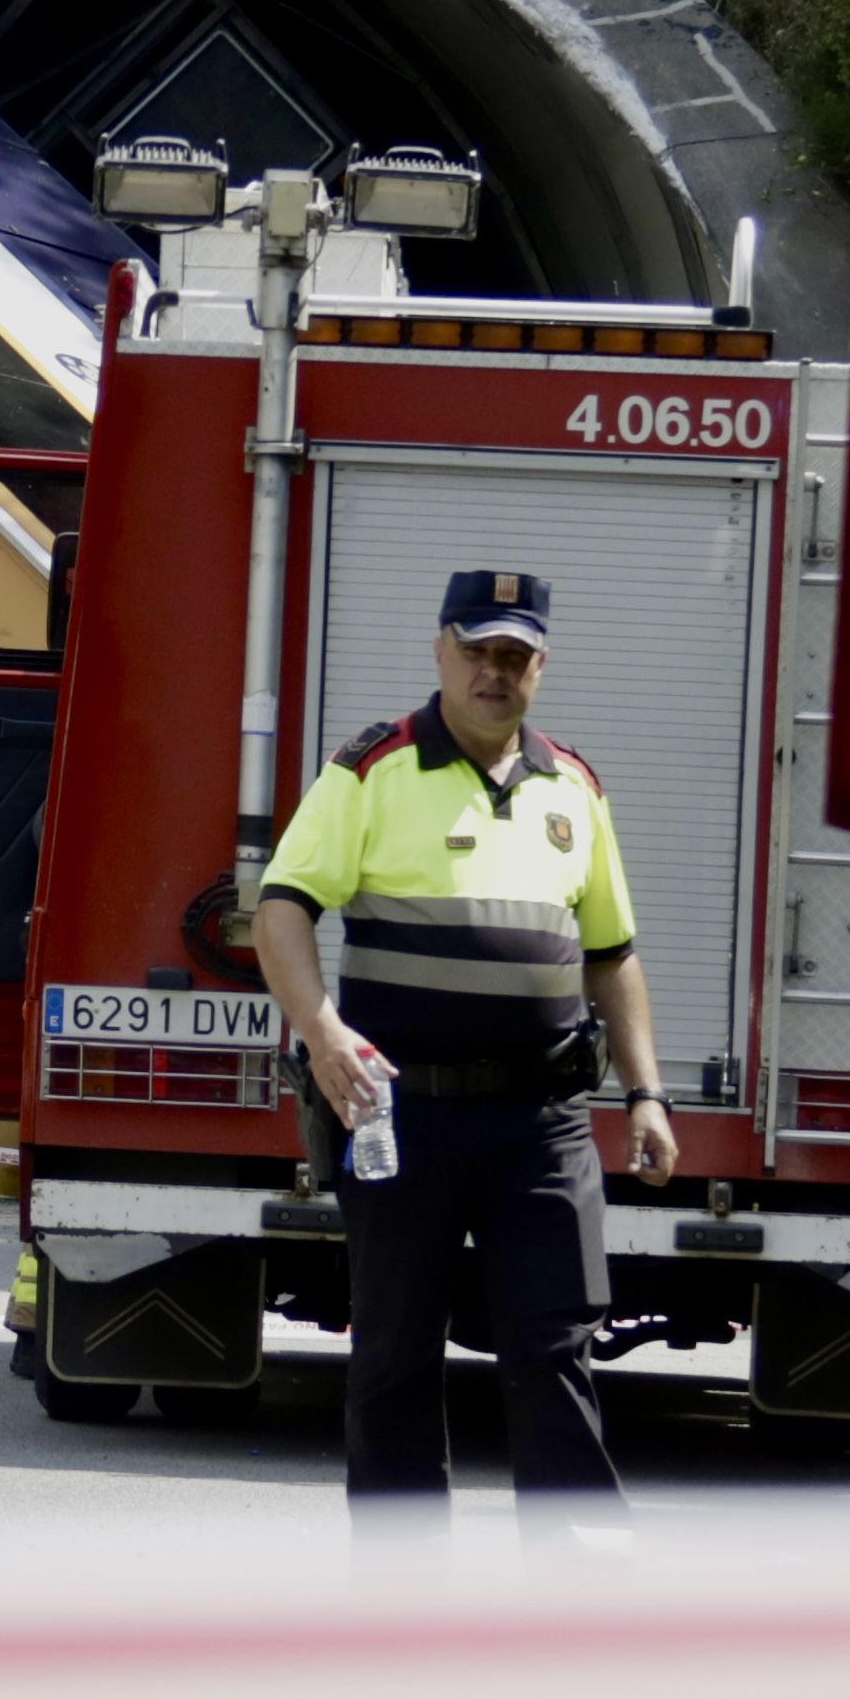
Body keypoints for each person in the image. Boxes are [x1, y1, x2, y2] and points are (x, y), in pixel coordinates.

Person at [247, 566, 680, 1517]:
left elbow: (612, 955)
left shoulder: (574, 788)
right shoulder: (370, 770)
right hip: (405, 1117)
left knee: (554, 1350)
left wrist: (646, 1092)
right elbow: (282, 908)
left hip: (541, 1122)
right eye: (478, 649)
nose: (495, 671)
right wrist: (321, 1033)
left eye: (515, 655)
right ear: (440, 649)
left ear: (540, 666)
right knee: (395, 1354)